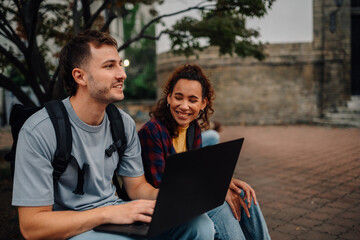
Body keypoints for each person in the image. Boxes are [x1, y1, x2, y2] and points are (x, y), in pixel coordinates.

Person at [11, 30, 215, 240]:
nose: (122, 74)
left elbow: (136, 187)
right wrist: (109, 213)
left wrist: (172, 197)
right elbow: (31, 226)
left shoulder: (122, 123)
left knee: (198, 225)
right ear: (80, 76)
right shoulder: (40, 130)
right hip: (73, 227)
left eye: (120, 64)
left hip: (117, 214)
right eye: (109, 66)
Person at [138, 64, 271, 240]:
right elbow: (163, 188)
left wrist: (224, 182)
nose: (184, 106)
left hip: (189, 198)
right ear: (169, 97)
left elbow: (196, 170)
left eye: (192, 100)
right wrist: (217, 189)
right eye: (178, 97)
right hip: (161, 209)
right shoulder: (153, 131)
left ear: (203, 103)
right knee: (222, 206)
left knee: (243, 193)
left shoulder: (193, 129)